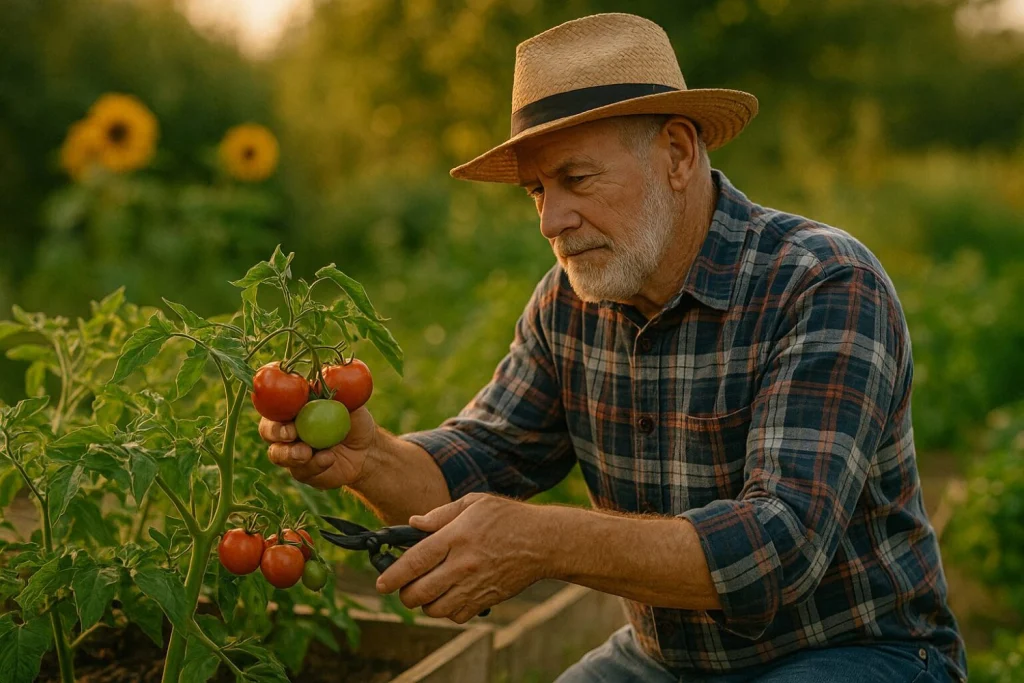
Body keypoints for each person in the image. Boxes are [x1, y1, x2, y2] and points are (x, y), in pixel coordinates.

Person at [261, 13, 966, 683]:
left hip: (855, 649)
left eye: (576, 179)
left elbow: (780, 547)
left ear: (678, 154)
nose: (550, 220)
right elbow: (470, 465)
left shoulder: (822, 282)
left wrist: (542, 541)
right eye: (536, 190)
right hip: (670, 661)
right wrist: (370, 458)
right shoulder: (569, 304)